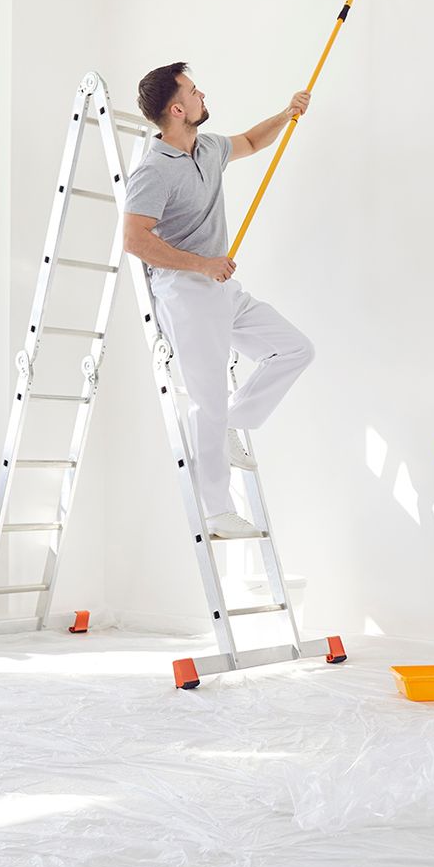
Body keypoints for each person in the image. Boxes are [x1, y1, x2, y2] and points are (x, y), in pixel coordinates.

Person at [121, 63, 315, 539]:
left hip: (221, 286)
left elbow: (249, 142)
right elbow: (133, 240)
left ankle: (236, 422)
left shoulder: (207, 147)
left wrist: (287, 114)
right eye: (193, 90)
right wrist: (201, 265)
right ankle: (217, 512)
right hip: (186, 291)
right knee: (207, 402)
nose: (202, 93)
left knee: (294, 349)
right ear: (177, 108)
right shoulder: (152, 173)